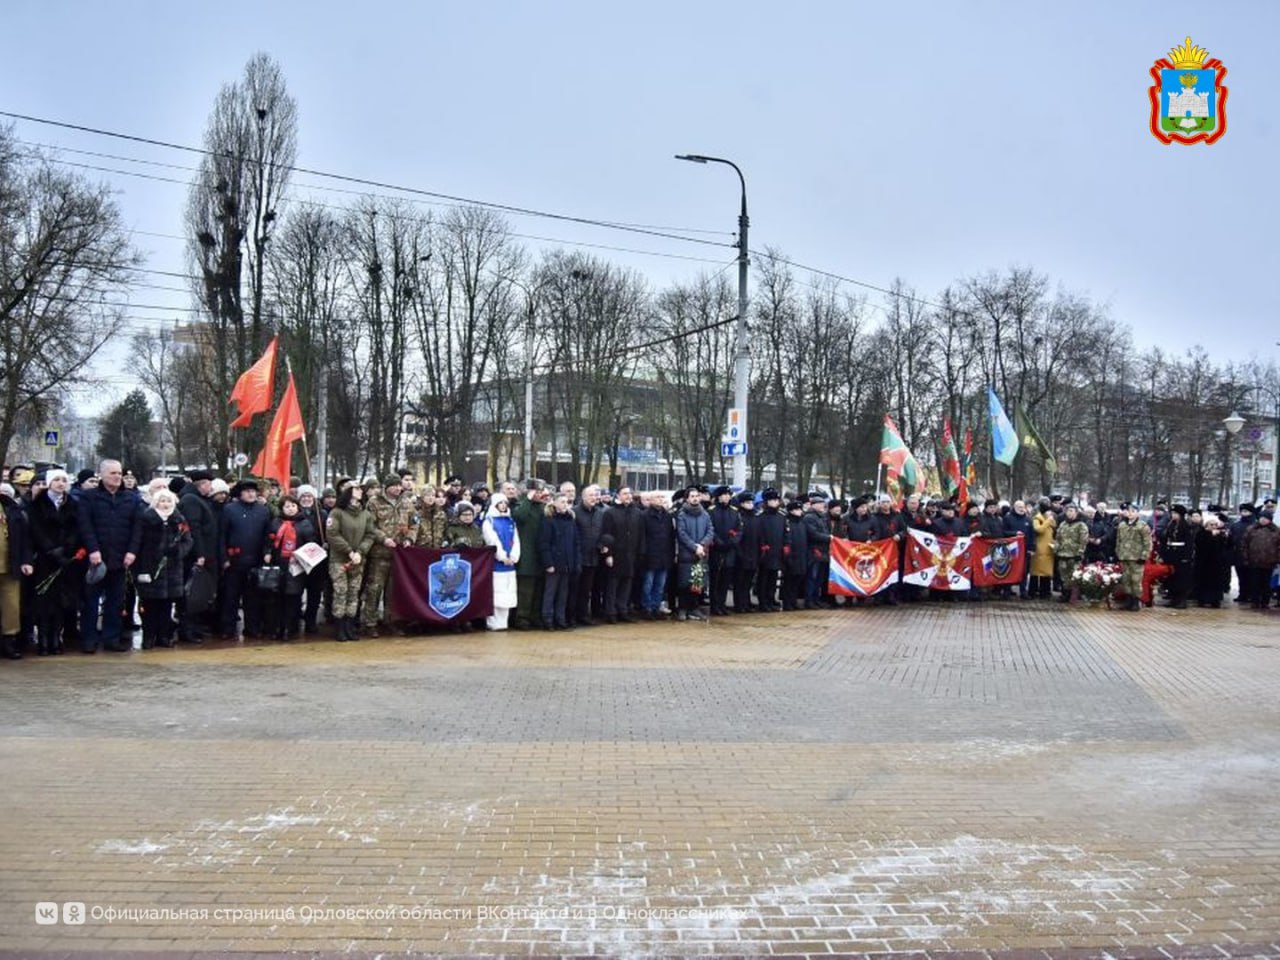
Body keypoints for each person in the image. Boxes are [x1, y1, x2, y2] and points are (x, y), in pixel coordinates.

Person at [77, 459, 140, 653]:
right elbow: (85, 525)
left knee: (115, 601)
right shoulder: (89, 497)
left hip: (121, 558)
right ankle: (89, 639)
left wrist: (132, 551)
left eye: (119, 473)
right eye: (113, 473)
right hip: (96, 559)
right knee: (91, 602)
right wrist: (92, 549)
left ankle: (111, 638)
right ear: (102, 475)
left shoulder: (131, 498)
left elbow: (137, 528)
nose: (117, 477)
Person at [129, 488, 192, 649]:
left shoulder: (179, 519)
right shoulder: (146, 518)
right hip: (150, 567)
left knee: (167, 605)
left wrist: (178, 551)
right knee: (150, 605)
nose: (165, 504)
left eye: (168, 501)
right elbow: (138, 541)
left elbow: (188, 541)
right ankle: (149, 636)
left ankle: (164, 636)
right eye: (162, 501)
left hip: (172, 569)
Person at [27, 469, 81, 655]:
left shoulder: (72, 503)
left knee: (61, 600)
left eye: (64, 480)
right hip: (44, 558)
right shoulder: (37, 504)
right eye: (56, 480)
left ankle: (56, 638)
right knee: (44, 600)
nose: (60, 483)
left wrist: (67, 549)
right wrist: (50, 549)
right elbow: (35, 529)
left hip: (65, 559)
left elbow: (76, 529)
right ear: (49, 483)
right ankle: (43, 638)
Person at [219, 479, 272, 640]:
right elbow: (222, 536)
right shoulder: (229, 510)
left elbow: (267, 535)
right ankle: (228, 628)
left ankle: (252, 628)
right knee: (231, 597)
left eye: (253, 491)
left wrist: (266, 552)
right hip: (234, 561)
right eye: (247, 491)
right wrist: (224, 557)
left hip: (255, 561)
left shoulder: (263, 510)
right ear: (240, 493)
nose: (251, 494)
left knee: (253, 599)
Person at [325, 484, 376, 641]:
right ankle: (339, 627)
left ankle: (350, 626)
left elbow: (370, 535)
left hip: (358, 560)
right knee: (341, 592)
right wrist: (349, 551)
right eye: (357, 489)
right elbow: (332, 534)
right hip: (339, 560)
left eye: (361, 489)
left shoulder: (365, 514)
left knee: (354, 593)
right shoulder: (337, 513)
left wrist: (360, 551)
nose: (360, 491)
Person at [265, 495, 319, 640]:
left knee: (293, 596)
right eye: (287, 506)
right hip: (278, 563)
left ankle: (290, 627)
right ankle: (277, 627)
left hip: (297, 565)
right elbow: (269, 539)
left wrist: (301, 555)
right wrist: (267, 552)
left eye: (293, 506)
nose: (290, 509)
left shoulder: (305, 524)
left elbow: (311, 544)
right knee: (277, 597)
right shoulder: (276, 522)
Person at [0, 483, 35, 659]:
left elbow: (25, 539)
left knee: (11, 607)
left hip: (10, 565)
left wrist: (26, 561)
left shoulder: (13, 509)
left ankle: (9, 641)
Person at [601, 486, 644, 623]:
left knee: (627, 584)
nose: (628, 496)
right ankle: (610, 612)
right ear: (618, 496)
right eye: (625, 494)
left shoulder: (637, 513)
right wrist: (608, 554)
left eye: (630, 494)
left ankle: (623, 610)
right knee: (613, 585)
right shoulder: (610, 513)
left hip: (631, 554)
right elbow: (606, 535)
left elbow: (641, 535)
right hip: (615, 554)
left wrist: (640, 553)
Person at [538, 492, 579, 630]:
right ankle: (547, 619)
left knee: (563, 593)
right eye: (562, 501)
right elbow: (544, 543)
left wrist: (575, 562)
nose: (565, 505)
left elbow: (575, 543)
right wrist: (548, 563)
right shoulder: (549, 520)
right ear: (554, 503)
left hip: (567, 563)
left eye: (566, 502)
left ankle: (560, 619)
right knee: (550, 592)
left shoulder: (570, 521)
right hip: (554, 563)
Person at [512, 481, 549, 629]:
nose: (540, 494)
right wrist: (528, 499)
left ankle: (535, 616)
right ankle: (522, 618)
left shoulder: (542, 507)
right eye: (537, 492)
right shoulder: (521, 505)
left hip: (540, 554)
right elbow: (519, 516)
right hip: (527, 554)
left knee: (539, 589)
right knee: (525, 591)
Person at [674, 485, 714, 621]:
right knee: (685, 584)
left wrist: (702, 545)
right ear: (687, 499)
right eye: (692, 496)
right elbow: (682, 533)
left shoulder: (705, 514)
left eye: (697, 496)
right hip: (687, 554)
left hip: (701, 554)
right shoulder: (682, 514)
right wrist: (694, 547)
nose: (695, 499)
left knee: (698, 584)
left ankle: (694, 608)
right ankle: (683, 609)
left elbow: (710, 530)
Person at [481, 493, 520, 630]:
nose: (503, 506)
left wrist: (514, 556)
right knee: (496, 593)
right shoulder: (489, 521)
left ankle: (504, 622)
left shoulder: (510, 521)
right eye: (500, 503)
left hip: (510, 565)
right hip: (497, 564)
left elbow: (516, 540)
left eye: (505, 503)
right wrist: (502, 556)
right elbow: (492, 541)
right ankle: (493, 623)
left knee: (508, 593)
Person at [572, 485, 607, 626]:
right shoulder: (574, 512)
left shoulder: (600, 513)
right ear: (583, 497)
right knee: (575, 589)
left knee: (587, 590)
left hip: (593, 557)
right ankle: (572, 616)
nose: (594, 498)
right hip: (578, 557)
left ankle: (584, 615)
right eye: (591, 495)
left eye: (596, 495)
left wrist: (601, 544)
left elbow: (603, 533)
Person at [640, 491, 675, 619]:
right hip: (650, 555)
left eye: (662, 497)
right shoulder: (644, 516)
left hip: (664, 555)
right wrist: (643, 554)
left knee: (660, 585)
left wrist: (672, 554)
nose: (661, 499)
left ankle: (656, 607)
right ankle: (647, 607)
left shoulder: (667, 516)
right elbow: (642, 537)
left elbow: (671, 537)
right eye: (658, 497)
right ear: (651, 500)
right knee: (648, 584)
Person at [706, 485, 740, 617]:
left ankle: (722, 603)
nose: (727, 497)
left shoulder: (734, 511)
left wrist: (733, 541)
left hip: (730, 549)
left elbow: (739, 529)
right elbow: (710, 528)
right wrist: (718, 541)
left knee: (726, 578)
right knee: (716, 578)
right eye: (724, 495)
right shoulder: (711, 511)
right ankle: (714, 605)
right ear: (719, 497)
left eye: (728, 495)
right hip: (716, 549)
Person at [1114, 502, 1152, 611]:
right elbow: (1119, 540)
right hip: (1124, 556)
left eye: (1133, 511)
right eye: (1129, 511)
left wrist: (1144, 556)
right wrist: (1118, 553)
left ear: (1138, 513)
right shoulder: (1122, 525)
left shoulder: (1143, 526)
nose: (1130, 514)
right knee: (1126, 580)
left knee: (1136, 580)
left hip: (1136, 557)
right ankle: (1128, 600)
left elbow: (1147, 543)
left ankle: (1136, 601)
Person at [1241, 511, 1280, 610]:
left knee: (1266, 584)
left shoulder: (1276, 530)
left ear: (1270, 519)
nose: (1263, 519)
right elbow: (1244, 545)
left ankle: (1265, 602)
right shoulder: (1251, 529)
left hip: (1270, 562)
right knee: (1254, 583)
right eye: (1261, 517)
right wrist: (1246, 558)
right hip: (1254, 561)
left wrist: (1277, 559)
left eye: (1265, 518)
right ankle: (1255, 601)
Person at [755, 489, 786, 612]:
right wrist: (762, 545)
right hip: (765, 552)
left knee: (773, 577)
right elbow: (758, 534)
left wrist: (786, 545)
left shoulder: (781, 516)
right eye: (772, 500)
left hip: (777, 551)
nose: (775, 502)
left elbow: (785, 532)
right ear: (766, 502)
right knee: (763, 577)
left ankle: (770, 598)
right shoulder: (761, 517)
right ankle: (763, 602)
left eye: (777, 500)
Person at [1159, 504, 1195, 609]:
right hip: (1171, 554)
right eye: (1172, 513)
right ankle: (1173, 598)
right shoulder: (1171, 524)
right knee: (1171, 577)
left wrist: (1186, 556)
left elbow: (1189, 542)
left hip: (1181, 554)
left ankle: (1181, 599)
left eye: (1175, 513)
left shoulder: (1186, 526)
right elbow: (1166, 538)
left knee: (1181, 578)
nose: (1173, 515)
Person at [1054, 503, 1089, 603]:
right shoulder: (1063, 524)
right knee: (1063, 576)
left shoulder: (1081, 525)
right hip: (1063, 554)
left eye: (1071, 511)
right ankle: (1065, 593)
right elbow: (1058, 538)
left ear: (1076, 513)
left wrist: (1080, 552)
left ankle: (1074, 596)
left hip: (1074, 555)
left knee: (1074, 576)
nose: (1069, 513)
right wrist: (1056, 549)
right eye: (1067, 511)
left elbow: (1083, 540)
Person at [1193, 515, 1231, 608]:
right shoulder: (1201, 534)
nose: (1213, 526)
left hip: (1216, 563)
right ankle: (1202, 599)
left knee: (1216, 583)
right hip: (1204, 563)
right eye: (1211, 524)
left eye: (1215, 524)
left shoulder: (1220, 535)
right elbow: (1203, 547)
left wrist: (1226, 537)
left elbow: (1226, 546)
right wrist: (1212, 537)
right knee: (1203, 582)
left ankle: (1215, 600)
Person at [1002, 500, 1037, 599]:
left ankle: (1023, 591)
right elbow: (1003, 532)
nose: (1021, 509)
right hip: (1010, 549)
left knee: (1024, 570)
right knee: (1009, 569)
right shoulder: (1008, 518)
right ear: (1014, 507)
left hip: (1024, 550)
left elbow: (1032, 535)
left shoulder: (1028, 520)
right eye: (1019, 507)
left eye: (1023, 507)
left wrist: (1032, 548)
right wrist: (1014, 533)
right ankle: (1007, 591)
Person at [731, 492, 759, 614]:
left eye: (751, 502)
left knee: (748, 581)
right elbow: (737, 537)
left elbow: (759, 536)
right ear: (742, 504)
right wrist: (739, 552)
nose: (750, 505)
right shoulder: (738, 516)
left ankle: (746, 602)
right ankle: (739, 604)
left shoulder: (755, 517)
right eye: (748, 503)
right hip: (742, 553)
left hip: (753, 553)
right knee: (740, 581)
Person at [781, 499, 810, 611]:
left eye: (800, 509)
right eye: (797, 509)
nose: (800, 511)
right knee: (789, 581)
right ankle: (787, 602)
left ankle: (793, 601)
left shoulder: (802, 523)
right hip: (792, 556)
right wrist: (787, 556)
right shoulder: (787, 523)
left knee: (797, 580)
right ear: (791, 511)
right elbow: (786, 540)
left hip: (802, 555)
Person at [1228, 503, 1256, 604]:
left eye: (1246, 511)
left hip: (1252, 555)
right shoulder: (1236, 525)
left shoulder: (1255, 525)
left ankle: (1251, 595)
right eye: (1242, 511)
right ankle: (1242, 594)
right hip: (1238, 554)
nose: (1244, 513)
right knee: (1241, 576)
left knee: (1252, 576)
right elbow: (1231, 540)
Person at [1029, 500, 1057, 599]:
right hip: (1039, 549)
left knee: (1046, 573)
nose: (1050, 514)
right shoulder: (1037, 519)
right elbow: (1039, 530)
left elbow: (1054, 528)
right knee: (1036, 572)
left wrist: (1051, 521)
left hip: (1048, 549)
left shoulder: (1050, 520)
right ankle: (1033, 591)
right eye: (1048, 512)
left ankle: (1045, 591)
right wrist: (1047, 521)